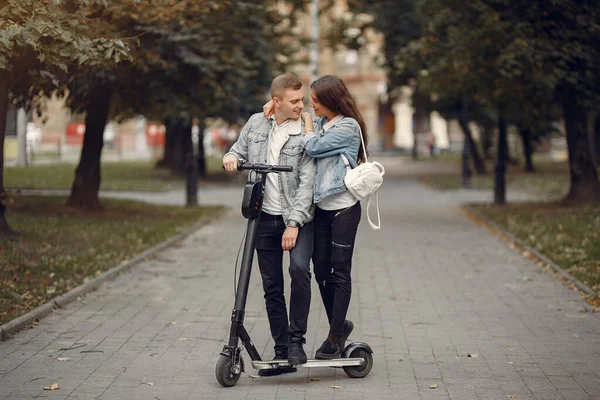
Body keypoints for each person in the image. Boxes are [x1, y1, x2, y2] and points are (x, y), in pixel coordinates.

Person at [263, 74, 367, 359]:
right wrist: (270, 107)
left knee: (340, 270)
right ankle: (341, 323)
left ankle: (335, 336)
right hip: (321, 210)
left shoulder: (348, 126)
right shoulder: (321, 122)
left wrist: (309, 125)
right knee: (321, 270)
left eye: (316, 101)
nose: (311, 105)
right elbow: (292, 112)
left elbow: (313, 147)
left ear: (332, 101)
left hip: (345, 209)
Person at [223, 73, 316, 374]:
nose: (301, 104)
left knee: (299, 271)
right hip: (263, 219)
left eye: (302, 99)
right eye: (294, 101)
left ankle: (296, 342)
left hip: (296, 218)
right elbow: (238, 149)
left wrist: (294, 223)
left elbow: (307, 182)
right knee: (272, 286)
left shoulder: (306, 129)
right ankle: (280, 349)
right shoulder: (256, 122)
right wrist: (230, 157)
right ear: (276, 101)